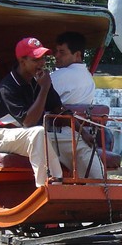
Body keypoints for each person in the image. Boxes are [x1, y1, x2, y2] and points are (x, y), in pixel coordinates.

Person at [0, 37, 67, 187]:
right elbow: (28, 122)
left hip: (31, 136)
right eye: (36, 59)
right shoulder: (7, 87)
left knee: (74, 140)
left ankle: (100, 188)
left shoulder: (38, 80)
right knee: (38, 132)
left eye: (43, 58)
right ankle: (48, 186)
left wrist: (81, 131)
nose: (42, 63)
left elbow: (58, 108)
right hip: (2, 135)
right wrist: (44, 88)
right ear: (22, 61)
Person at [49, 31, 104, 179]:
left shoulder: (59, 76)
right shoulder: (89, 78)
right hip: (79, 133)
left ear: (77, 55)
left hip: (60, 133)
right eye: (57, 51)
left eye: (62, 52)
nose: (57, 56)